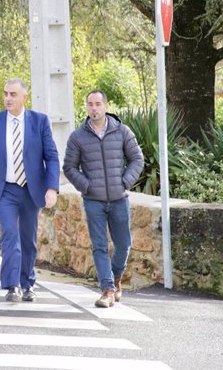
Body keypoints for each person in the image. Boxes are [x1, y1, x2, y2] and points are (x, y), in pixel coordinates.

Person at [0, 79, 60, 302]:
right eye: (5, 94)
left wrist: (52, 188)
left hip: (31, 190)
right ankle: (12, 285)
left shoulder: (39, 121)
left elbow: (51, 157)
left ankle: (27, 284)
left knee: (28, 239)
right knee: (10, 235)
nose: (8, 98)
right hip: (4, 190)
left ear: (25, 97)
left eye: (13, 94)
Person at [63, 89, 144, 308]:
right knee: (99, 246)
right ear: (87, 107)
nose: (94, 108)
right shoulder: (77, 137)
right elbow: (69, 167)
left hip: (119, 198)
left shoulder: (122, 131)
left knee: (124, 245)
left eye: (98, 104)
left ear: (105, 106)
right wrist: (86, 186)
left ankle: (116, 278)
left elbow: (137, 159)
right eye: (90, 104)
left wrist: (124, 182)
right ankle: (107, 289)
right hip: (94, 201)